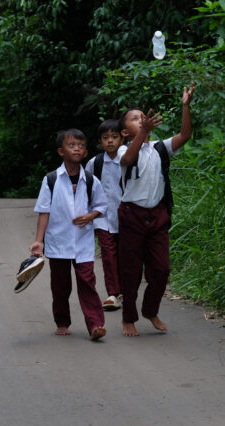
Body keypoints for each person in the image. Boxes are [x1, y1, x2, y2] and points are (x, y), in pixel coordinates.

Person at [117, 82, 195, 337]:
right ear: (125, 132)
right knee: (130, 270)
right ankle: (129, 318)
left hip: (157, 215)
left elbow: (184, 136)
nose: (141, 120)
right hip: (132, 216)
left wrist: (186, 106)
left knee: (161, 269)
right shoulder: (123, 149)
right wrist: (143, 134)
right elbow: (128, 160)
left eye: (143, 117)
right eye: (135, 119)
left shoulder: (160, 148)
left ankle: (151, 310)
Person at [30, 128, 109, 340]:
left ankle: (96, 325)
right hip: (58, 242)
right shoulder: (51, 180)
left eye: (81, 146)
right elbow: (43, 211)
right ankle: (62, 321)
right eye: (71, 145)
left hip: (83, 242)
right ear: (61, 151)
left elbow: (102, 205)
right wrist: (39, 241)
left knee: (87, 282)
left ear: (85, 153)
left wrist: (90, 216)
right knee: (60, 285)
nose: (77, 149)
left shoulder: (91, 180)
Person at [85, 119, 124, 311]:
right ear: (100, 141)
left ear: (122, 138)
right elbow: (86, 188)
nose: (110, 141)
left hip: (125, 218)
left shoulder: (128, 160)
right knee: (108, 255)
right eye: (106, 138)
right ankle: (113, 293)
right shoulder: (95, 163)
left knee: (125, 256)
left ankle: (125, 290)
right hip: (102, 219)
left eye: (114, 137)